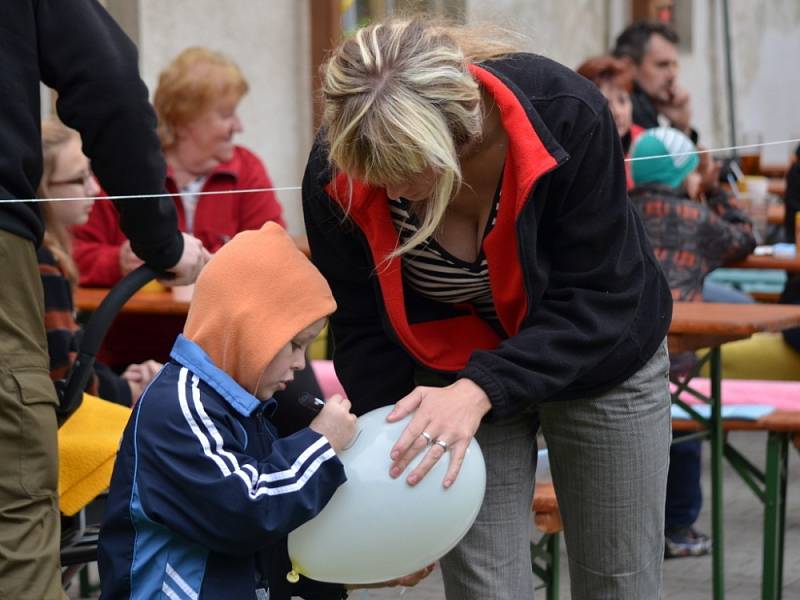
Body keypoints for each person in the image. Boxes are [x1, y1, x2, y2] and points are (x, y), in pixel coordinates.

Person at [303, 17, 673, 599]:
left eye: (405, 171)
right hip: (446, 377)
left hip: (599, 361)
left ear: (460, 132)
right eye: (376, 174)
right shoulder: (341, 170)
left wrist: (481, 389)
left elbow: (600, 297)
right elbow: (359, 328)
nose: (391, 192)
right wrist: (392, 491)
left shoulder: (567, 114)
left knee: (619, 582)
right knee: (484, 589)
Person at [98, 223, 432, 599]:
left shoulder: (241, 408)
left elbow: (268, 550)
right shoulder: (180, 407)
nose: (300, 364)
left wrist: (359, 570)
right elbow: (248, 513)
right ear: (251, 329)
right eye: (294, 344)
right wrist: (321, 444)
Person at [0, 2, 207, 596]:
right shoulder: (49, 263)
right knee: (14, 529)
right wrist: (161, 243)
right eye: (76, 179)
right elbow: (106, 75)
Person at [72, 46, 285, 368]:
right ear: (185, 121)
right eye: (226, 115)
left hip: (225, 355)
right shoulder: (127, 174)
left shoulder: (247, 170)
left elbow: (273, 255)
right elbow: (72, 253)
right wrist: (117, 261)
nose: (238, 126)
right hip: (131, 352)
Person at [629, 127, 756, 557]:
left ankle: (633, 531)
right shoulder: (696, 219)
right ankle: (678, 528)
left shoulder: (618, 211)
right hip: (676, 358)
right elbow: (744, 237)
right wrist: (717, 187)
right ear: (684, 174)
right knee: (683, 426)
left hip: (620, 353)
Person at [37, 119, 162, 406]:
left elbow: (70, 355)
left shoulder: (43, 252)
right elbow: (63, 377)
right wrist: (129, 392)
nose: (94, 188)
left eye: (91, 174)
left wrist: (119, 383)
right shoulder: (42, 262)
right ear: (42, 188)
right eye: (79, 179)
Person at [612, 21, 695, 141]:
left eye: (674, 65)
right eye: (662, 65)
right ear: (629, 65)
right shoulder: (628, 109)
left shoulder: (647, 102)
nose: (672, 75)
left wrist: (681, 126)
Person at [576, 55, 644, 188]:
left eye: (622, 100)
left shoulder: (646, 142)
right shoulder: (577, 153)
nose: (618, 112)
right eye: (606, 104)